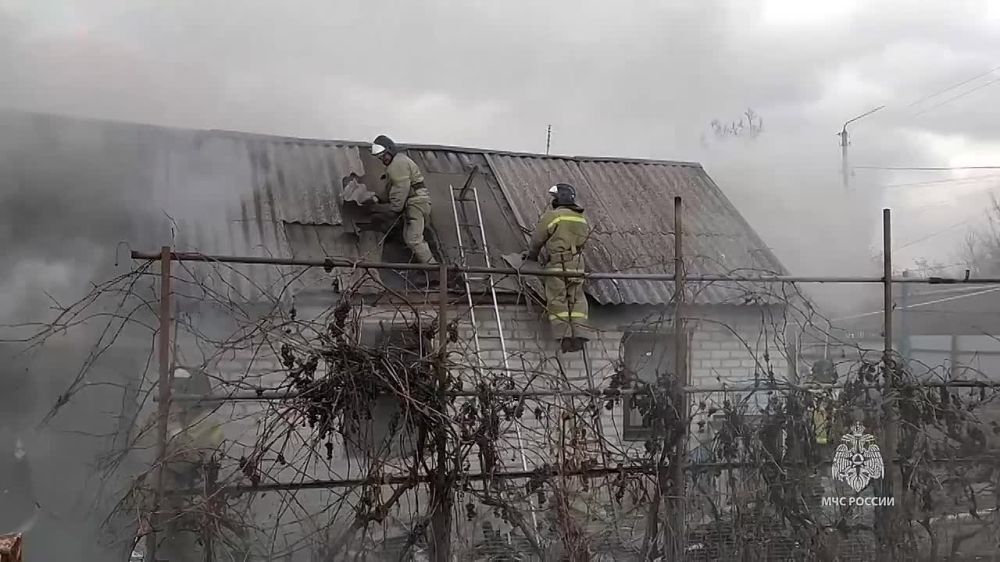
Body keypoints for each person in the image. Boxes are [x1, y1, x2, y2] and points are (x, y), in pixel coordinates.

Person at [134, 367, 224, 562]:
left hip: (188, 507)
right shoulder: (158, 419)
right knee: (145, 552)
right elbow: (139, 448)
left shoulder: (208, 424)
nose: (174, 400)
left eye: (179, 394)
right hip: (151, 505)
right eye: (172, 393)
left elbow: (185, 461)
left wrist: (173, 431)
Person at [369, 135, 454, 287]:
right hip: (416, 203)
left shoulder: (398, 165)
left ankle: (436, 273)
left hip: (415, 203)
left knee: (413, 239)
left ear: (390, 151)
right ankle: (428, 268)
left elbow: (400, 190)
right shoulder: (396, 164)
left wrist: (392, 208)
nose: (383, 159)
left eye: (384, 156)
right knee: (410, 238)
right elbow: (390, 189)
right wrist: (378, 198)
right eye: (380, 157)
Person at [523, 183, 590, 353]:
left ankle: (564, 337)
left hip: (558, 265)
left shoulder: (554, 216)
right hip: (577, 265)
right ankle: (580, 334)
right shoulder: (581, 218)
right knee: (577, 299)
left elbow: (538, 238)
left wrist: (532, 256)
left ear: (559, 198)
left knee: (558, 298)